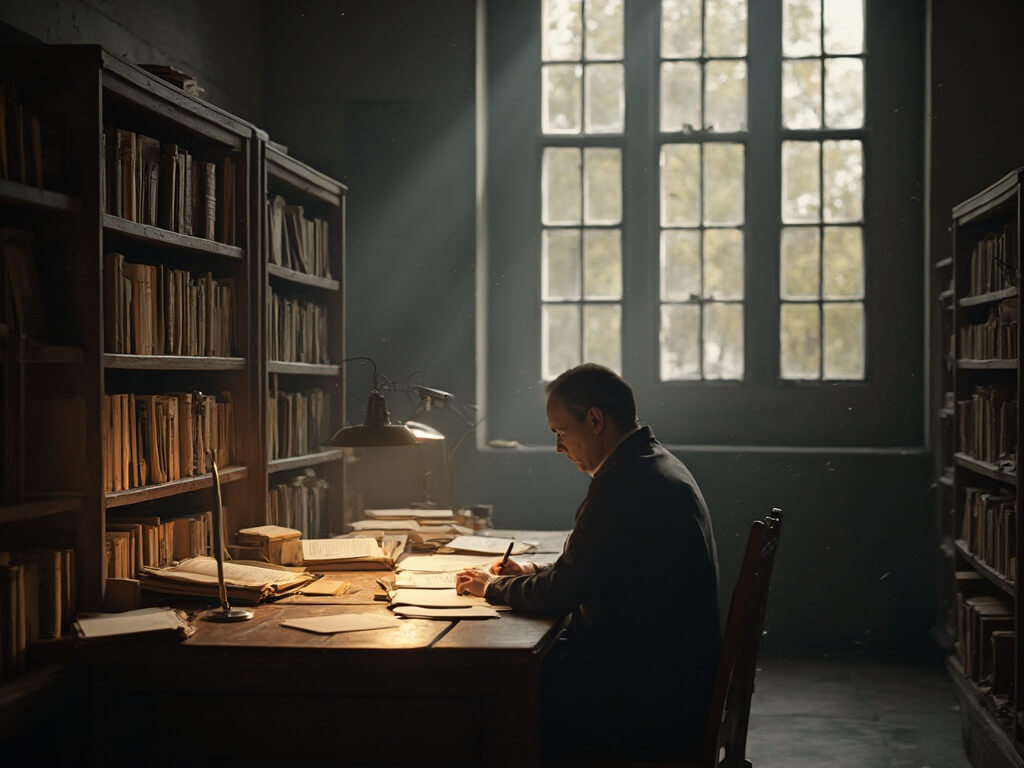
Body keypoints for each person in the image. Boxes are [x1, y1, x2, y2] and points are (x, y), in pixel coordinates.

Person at [456, 363, 721, 762]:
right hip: (672, 675)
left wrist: (490, 587)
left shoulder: (623, 484)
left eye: (561, 433)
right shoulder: (652, 463)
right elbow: (600, 567)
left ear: (595, 420)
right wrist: (531, 572)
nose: (559, 448)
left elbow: (562, 593)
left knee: (494, 692)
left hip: (641, 695)